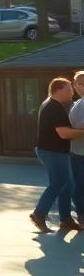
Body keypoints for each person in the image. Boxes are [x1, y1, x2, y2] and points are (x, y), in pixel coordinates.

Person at [31, 77, 84, 233]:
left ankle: (65, 219)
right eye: (69, 89)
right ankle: (39, 213)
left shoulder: (50, 104)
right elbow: (64, 133)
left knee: (67, 184)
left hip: (52, 151)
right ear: (58, 89)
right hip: (52, 152)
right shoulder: (54, 107)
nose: (72, 92)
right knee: (60, 182)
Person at [70, 72, 84, 222]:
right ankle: (81, 213)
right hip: (76, 151)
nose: (80, 86)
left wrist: (72, 129)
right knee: (77, 185)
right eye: (77, 83)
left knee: (79, 185)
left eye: (82, 83)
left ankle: (81, 214)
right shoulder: (78, 103)